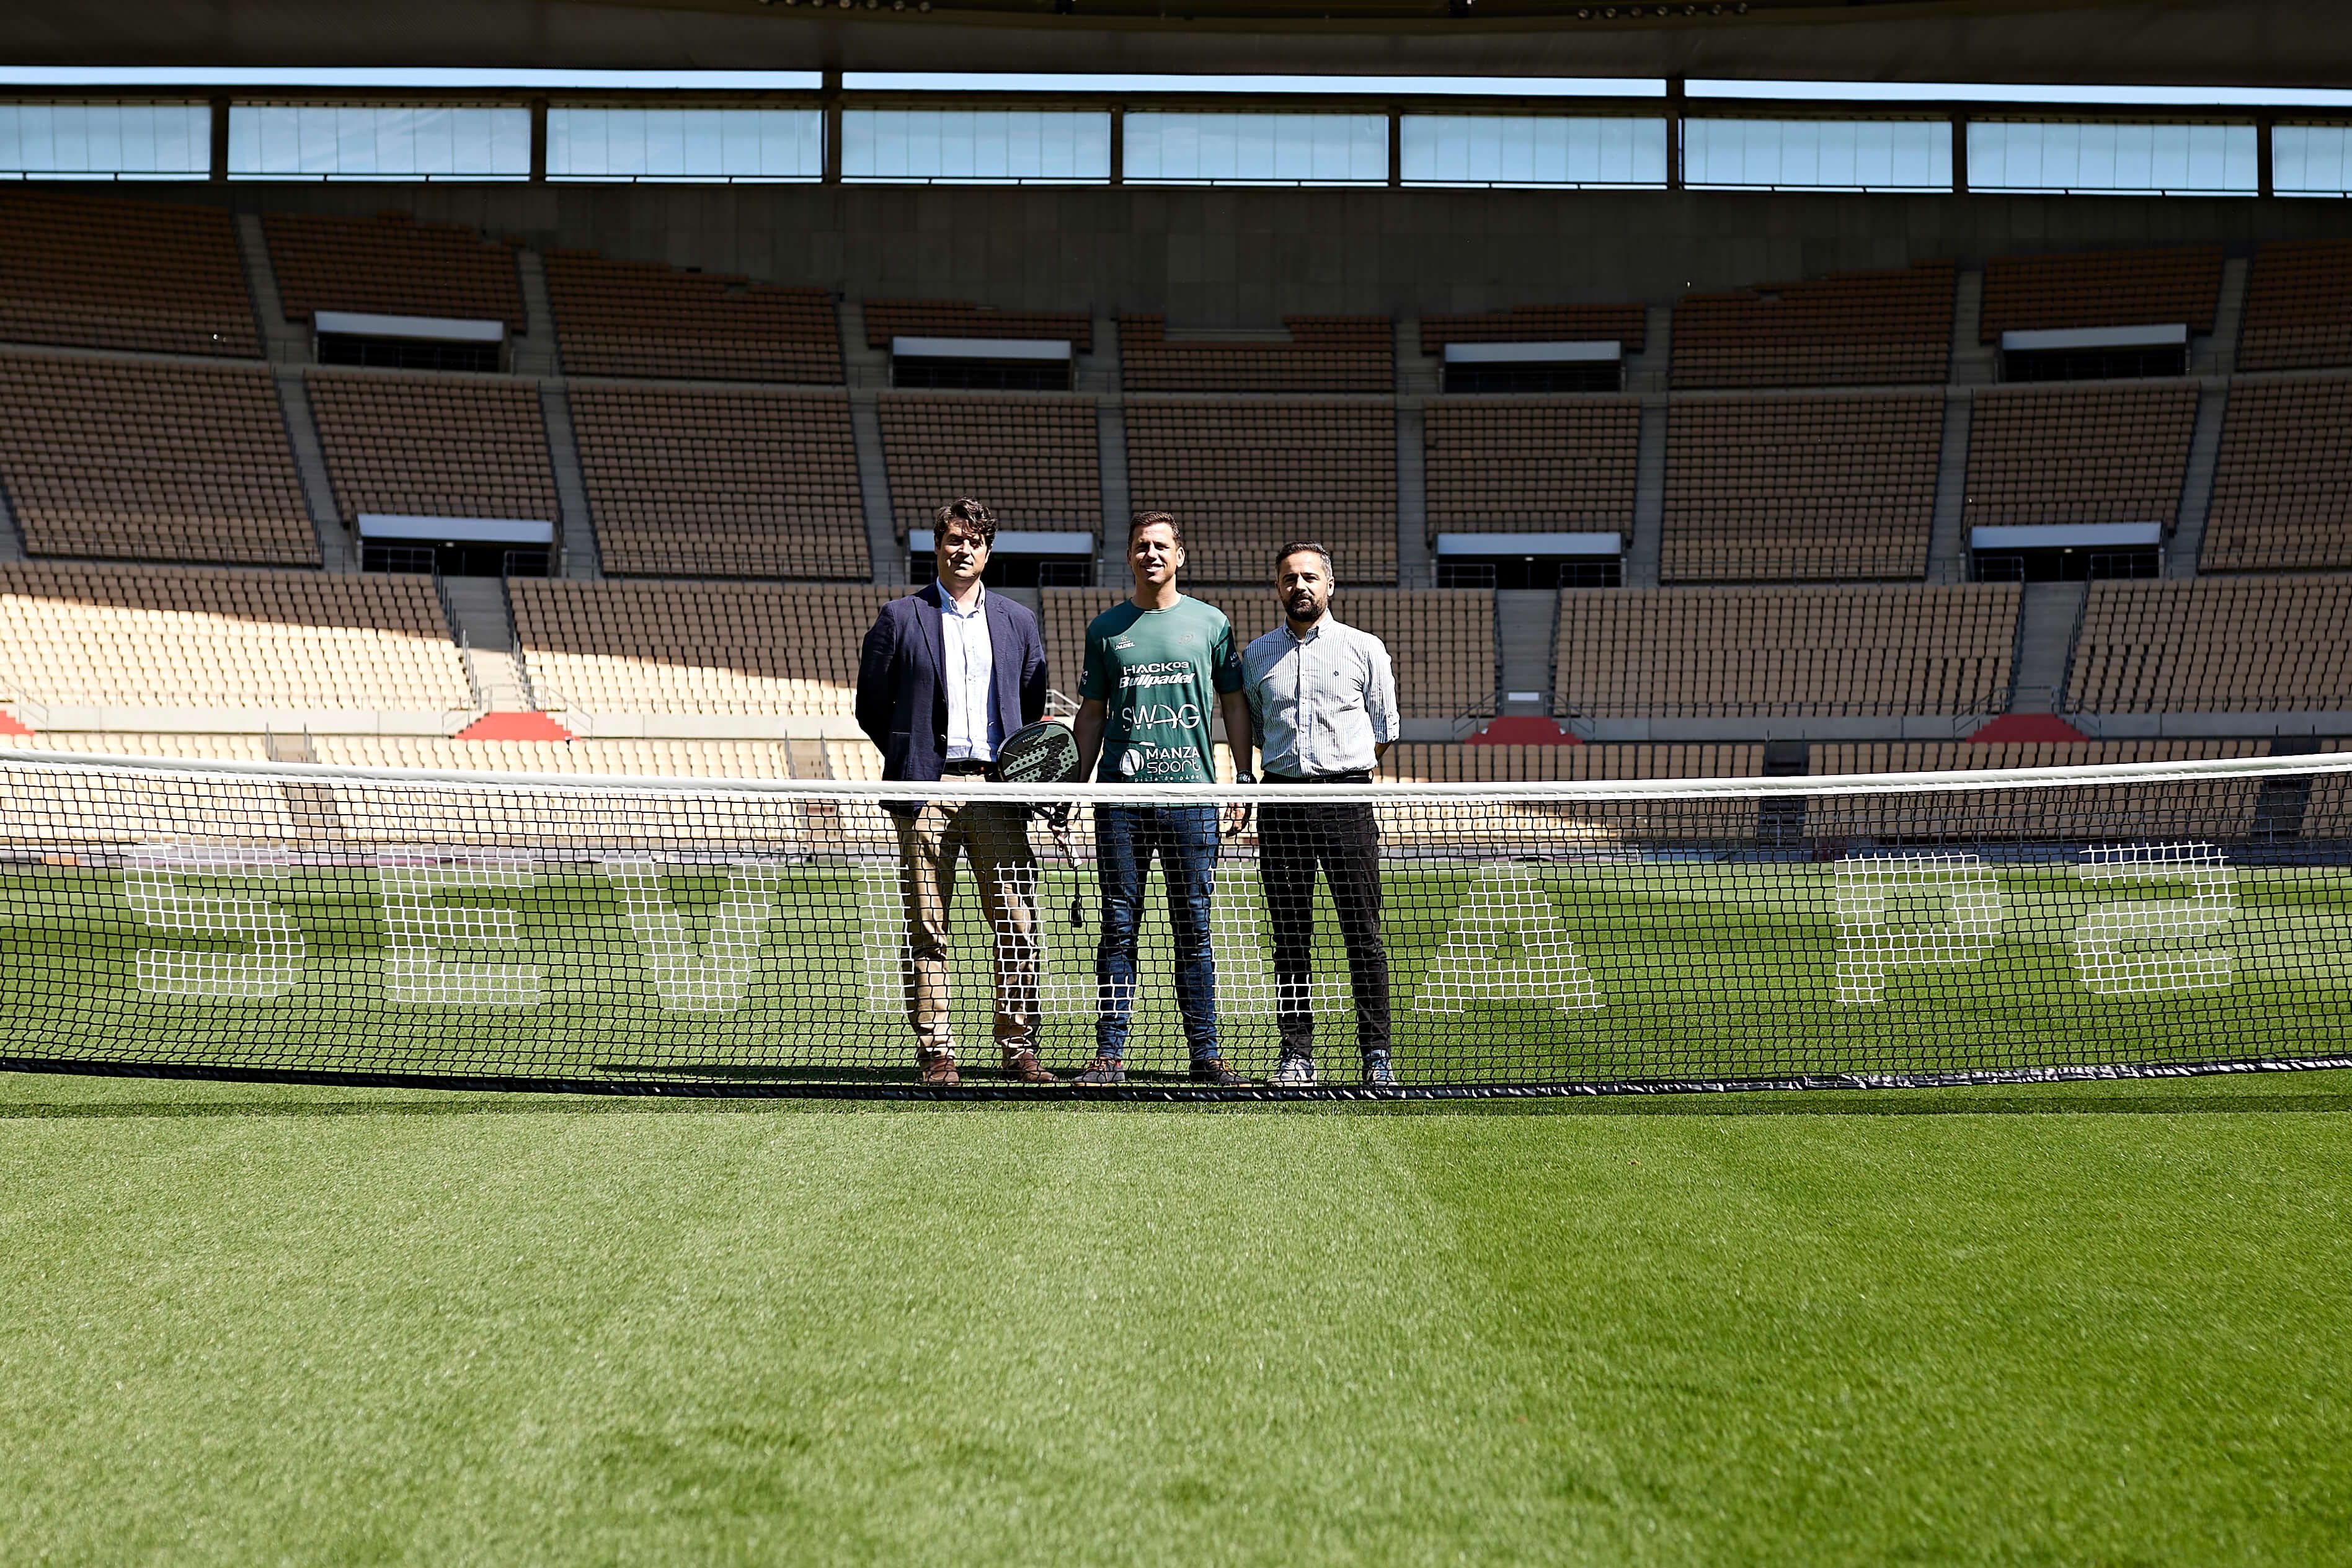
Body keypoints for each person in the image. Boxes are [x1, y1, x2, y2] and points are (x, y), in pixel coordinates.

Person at [854, 498, 1057, 1087]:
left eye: (973, 540)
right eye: (952, 539)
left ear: (987, 550)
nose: (962, 549)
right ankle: (936, 1050)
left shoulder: (1018, 620)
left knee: (1017, 921)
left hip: (996, 790)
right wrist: (911, 752)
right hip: (926, 788)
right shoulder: (899, 616)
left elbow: (1032, 697)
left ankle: (1018, 1046)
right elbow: (872, 704)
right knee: (927, 923)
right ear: (937, 546)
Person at [1068, 512, 1254, 1087]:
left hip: (1192, 799)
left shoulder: (1212, 623)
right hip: (1120, 803)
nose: (1151, 553)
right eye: (1141, 545)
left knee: (1193, 927)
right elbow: (1093, 713)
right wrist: (1072, 786)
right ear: (1129, 556)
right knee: (1118, 926)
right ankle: (1109, 1054)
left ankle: (1206, 1053)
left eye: (1161, 545)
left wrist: (1243, 777)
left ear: (1180, 556)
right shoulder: (1105, 630)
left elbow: (1233, 704)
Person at [1238, 542, 1400, 1087]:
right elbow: (1261, 732)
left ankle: (1376, 1056)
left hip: (1347, 802)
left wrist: (1340, 774)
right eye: (1288, 579)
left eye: (1310, 577)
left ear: (1329, 586)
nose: (1299, 586)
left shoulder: (1364, 649)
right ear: (1276, 588)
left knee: (1363, 934)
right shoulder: (1256, 656)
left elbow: (1384, 730)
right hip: (1280, 803)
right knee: (1290, 936)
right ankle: (1295, 1055)